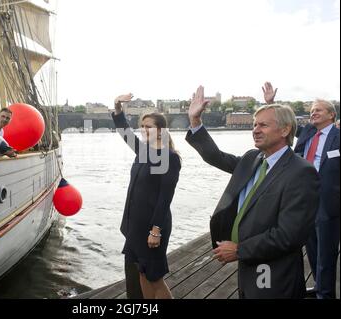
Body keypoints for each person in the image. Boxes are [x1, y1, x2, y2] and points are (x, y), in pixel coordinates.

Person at [186, 85, 320, 298]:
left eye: (263, 125)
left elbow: (289, 236)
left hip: (273, 272)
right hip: (248, 265)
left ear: (285, 130)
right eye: (254, 124)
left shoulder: (301, 172)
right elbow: (216, 157)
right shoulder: (253, 158)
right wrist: (195, 121)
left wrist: (239, 250)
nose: (255, 129)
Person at [264, 82, 340, 299]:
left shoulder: (338, 137)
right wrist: (271, 103)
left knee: (326, 251)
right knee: (312, 248)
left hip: (328, 201)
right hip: (303, 198)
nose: (313, 113)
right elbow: (287, 121)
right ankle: (319, 286)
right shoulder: (306, 133)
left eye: (318, 110)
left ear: (331, 115)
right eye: (311, 110)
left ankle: (326, 294)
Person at [112, 93, 181, 299]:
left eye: (149, 126)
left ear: (160, 131)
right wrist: (117, 106)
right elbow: (124, 131)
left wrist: (156, 230)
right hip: (136, 225)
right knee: (142, 273)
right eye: (142, 126)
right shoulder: (143, 152)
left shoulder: (169, 158)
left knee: (154, 278)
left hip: (153, 227)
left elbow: (164, 198)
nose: (144, 130)